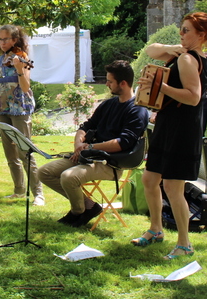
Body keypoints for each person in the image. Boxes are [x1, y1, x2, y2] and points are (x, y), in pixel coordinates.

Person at [134, 12, 207, 260]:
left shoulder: (188, 60)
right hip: (168, 124)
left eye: (186, 31)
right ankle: (156, 229)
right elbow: (151, 50)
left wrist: (159, 86)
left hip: (183, 129)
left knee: (173, 186)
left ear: (201, 35)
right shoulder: (182, 54)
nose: (181, 34)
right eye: (181, 29)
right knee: (150, 180)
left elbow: (193, 97)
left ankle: (184, 243)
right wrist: (175, 47)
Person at [38, 61, 148, 227]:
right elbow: (86, 126)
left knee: (68, 177)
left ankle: (77, 212)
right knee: (44, 172)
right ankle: (89, 206)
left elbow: (123, 143)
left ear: (123, 84)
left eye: (110, 81)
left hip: (111, 163)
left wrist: (89, 147)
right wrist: (78, 144)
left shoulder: (137, 110)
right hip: (88, 156)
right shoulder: (108, 104)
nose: (107, 84)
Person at [0, 25, 44, 205]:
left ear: (15, 40)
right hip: (3, 108)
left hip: (19, 109)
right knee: (10, 154)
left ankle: (38, 194)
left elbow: (25, 87)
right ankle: (18, 190)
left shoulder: (22, 59)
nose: (2, 43)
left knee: (25, 152)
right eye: (0, 39)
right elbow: (5, 86)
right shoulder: (0, 60)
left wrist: (19, 69)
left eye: (5, 39)